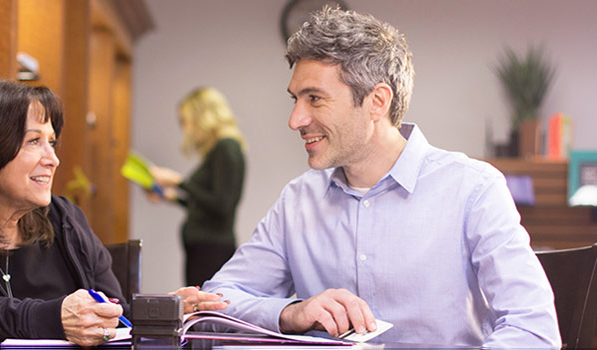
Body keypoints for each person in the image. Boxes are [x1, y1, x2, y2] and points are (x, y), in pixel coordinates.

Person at [202, 7, 560, 348]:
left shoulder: (473, 189)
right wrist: (291, 312)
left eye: (315, 98)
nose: (295, 120)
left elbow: (533, 328)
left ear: (377, 101)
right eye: (296, 99)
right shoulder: (298, 201)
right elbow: (217, 300)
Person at [0, 80, 227, 346]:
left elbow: (115, 312)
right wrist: (52, 318)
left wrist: (158, 312)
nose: (53, 159)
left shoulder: (65, 219)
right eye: (34, 141)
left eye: (52, 142)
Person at [148, 87, 246, 287]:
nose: (185, 129)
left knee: (204, 313)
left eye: (185, 121)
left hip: (211, 252)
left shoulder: (227, 148)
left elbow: (222, 205)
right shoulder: (218, 150)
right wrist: (173, 197)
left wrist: (179, 182)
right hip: (203, 250)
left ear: (202, 117)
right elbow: (207, 204)